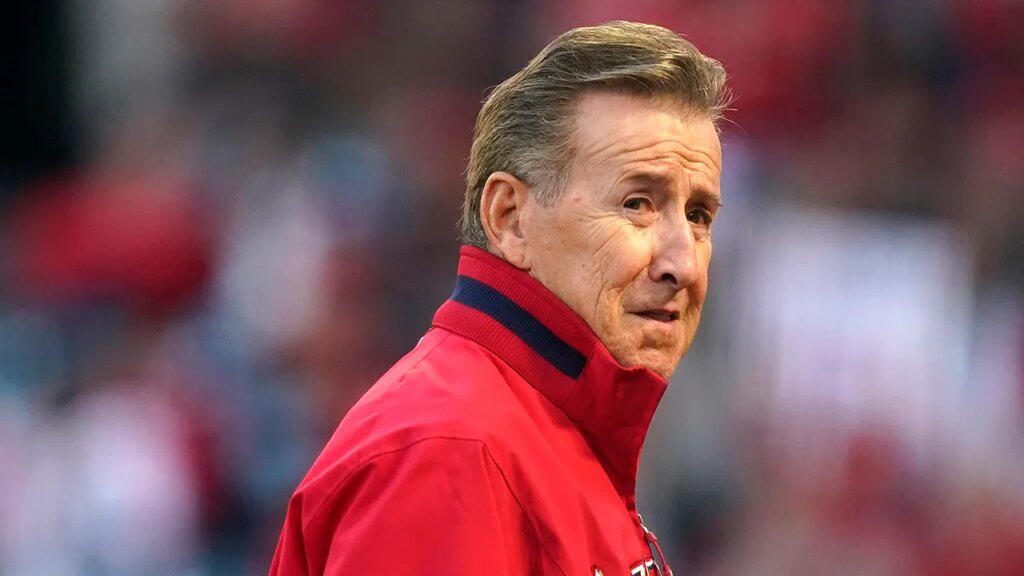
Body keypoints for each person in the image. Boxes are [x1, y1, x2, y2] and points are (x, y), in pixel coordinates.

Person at [269, 20, 728, 576]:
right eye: (637, 204)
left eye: (698, 215)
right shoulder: (450, 452)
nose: (683, 263)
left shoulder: (528, 438)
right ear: (509, 218)